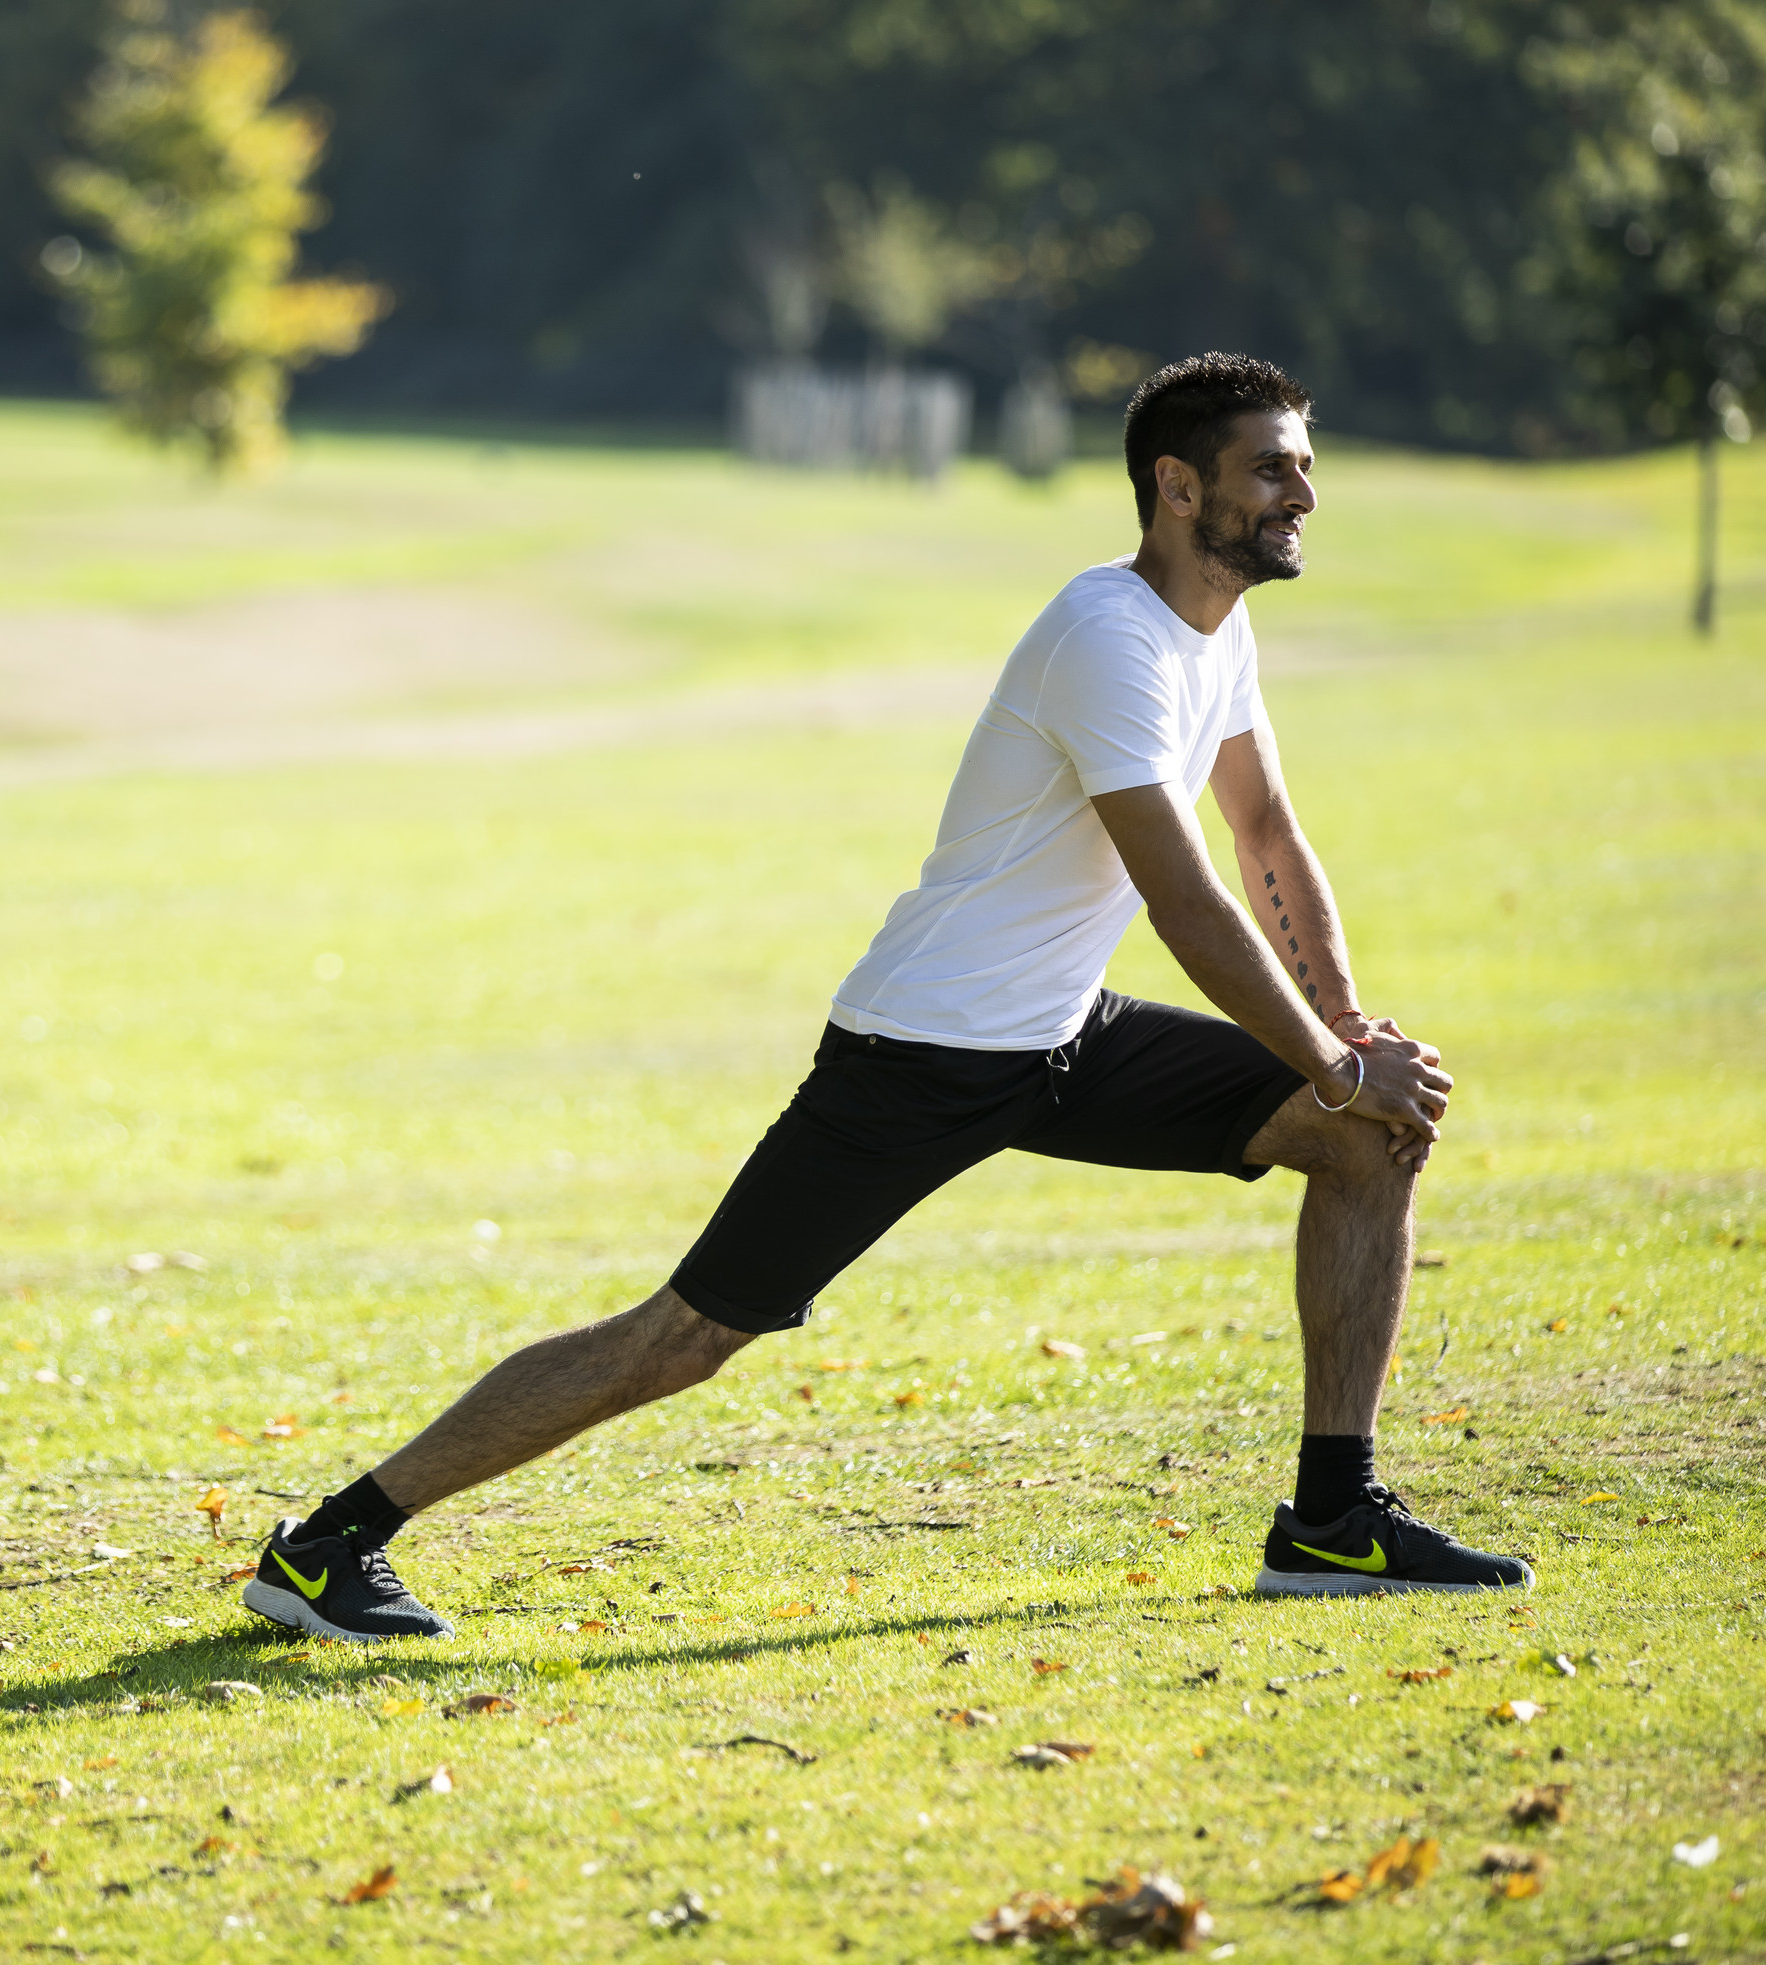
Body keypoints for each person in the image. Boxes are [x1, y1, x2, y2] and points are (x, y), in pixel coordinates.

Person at [242, 351, 1531, 1644]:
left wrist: (1348, 1039)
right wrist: (1326, 1058)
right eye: (1272, 469)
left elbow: (1266, 834)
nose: (1302, 491)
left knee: (1366, 1140)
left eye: (1307, 466)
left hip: (1061, 1032)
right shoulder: (1107, 638)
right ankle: (328, 1545)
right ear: (1177, 488)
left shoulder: (1218, 632)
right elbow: (1191, 900)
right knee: (682, 1340)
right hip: (921, 1051)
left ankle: (1331, 1519)